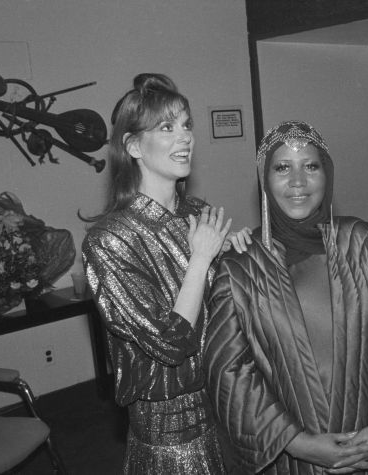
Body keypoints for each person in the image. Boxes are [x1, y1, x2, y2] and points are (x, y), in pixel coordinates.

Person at [202, 120, 368, 474]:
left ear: (327, 174)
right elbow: (229, 372)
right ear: (265, 180)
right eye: (282, 168)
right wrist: (299, 443)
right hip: (290, 459)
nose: (298, 182)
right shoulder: (241, 268)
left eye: (311, 166)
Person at [82, 73, 249, 474]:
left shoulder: (195, 213)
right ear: (134, 145)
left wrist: (236, 256)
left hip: (224, 404)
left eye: (187, 125)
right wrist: (201, 258)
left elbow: (225, 315)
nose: (186, 137)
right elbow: (171, 343)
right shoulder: (110, 240)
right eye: (167, 127)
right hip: (171, 435)